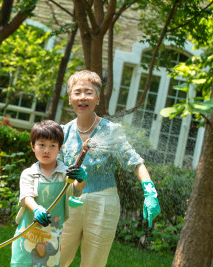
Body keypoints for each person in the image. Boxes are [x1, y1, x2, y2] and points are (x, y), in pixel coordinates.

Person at [58, 70, 161, 267]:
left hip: (103, 203)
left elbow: (135, 162)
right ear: (70, 98)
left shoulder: (111, 131)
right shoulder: (63, 132)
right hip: (69, 202)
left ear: (97, 98)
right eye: (77, 92)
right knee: (56, 258)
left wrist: (150, 192)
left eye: (88, 92)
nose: (82, 97)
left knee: (93, 263)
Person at [11, 120, 87, 267]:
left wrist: (82, 179)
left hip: (52, 236)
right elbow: (27, 197)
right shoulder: (29, 173)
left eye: (52, 145)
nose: (47, 150)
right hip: (28, 233)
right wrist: (37, 209)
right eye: (42, 145)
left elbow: (76, 191)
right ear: (33, 146)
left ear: (60, 148)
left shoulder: (66, 174)